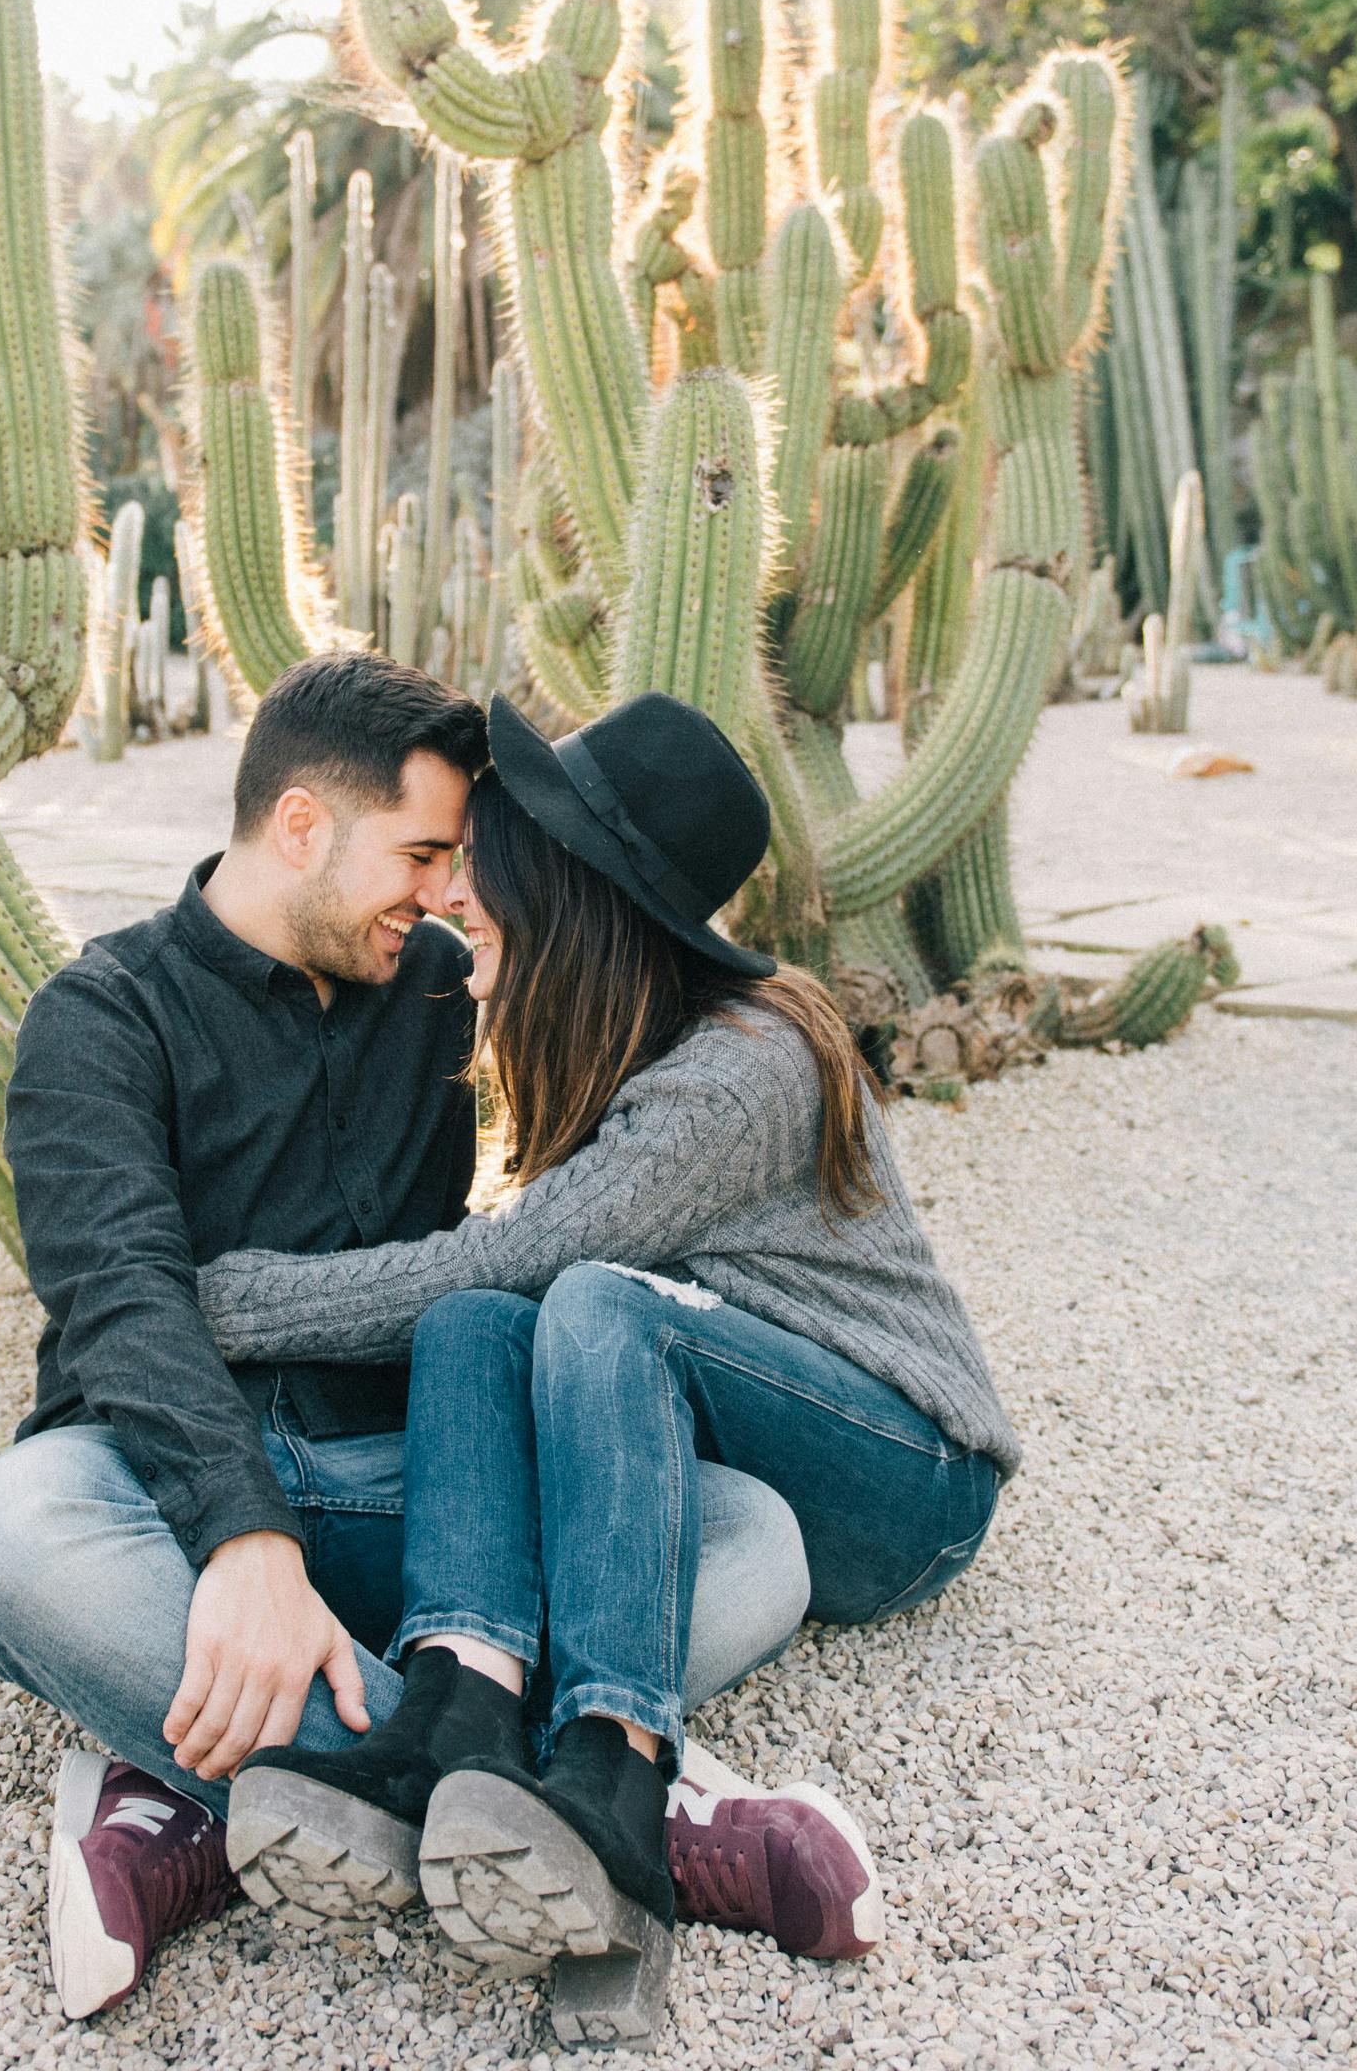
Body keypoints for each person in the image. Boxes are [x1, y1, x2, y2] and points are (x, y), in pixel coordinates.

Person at [0, 654, 815, 2024]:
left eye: (454, 861)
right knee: (7, 1536)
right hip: (165, 1489)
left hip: (407, 1482)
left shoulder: (439, 984)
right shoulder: (102, 1015)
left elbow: (544, 1214)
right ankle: (566, 1787)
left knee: (754, 1535)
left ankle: (230, 1788)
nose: (446, 893)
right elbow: (119, 1300)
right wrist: (245, 1543)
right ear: (301, 825)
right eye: (419, 854)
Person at [194, 691, 1022, 2045]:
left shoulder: (741, 1071)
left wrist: (225, 1301)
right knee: (479, 1323)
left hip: (909, 1481)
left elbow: (533, 1259)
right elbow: (488, 1288)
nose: (455, 899)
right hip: (757, 1422)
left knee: (574, 1299)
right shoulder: (650, 1034)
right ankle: (458, 1708)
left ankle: (618, 1775)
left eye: (485, 874)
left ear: (570, 897)